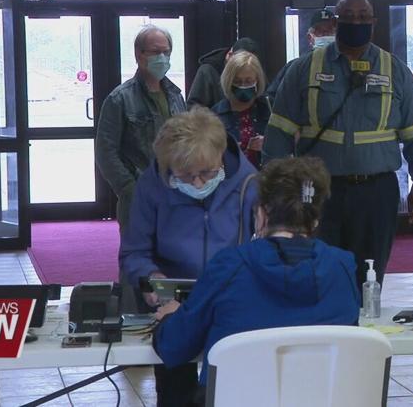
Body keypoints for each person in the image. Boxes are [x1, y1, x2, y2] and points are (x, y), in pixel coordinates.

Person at [152, 156, 360, 404]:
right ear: (315, 220)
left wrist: (172, 317)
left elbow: (173, 347)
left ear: (261, 214)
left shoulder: (229, 266)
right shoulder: (343, 267)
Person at [264, 0, 413, 289]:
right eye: (349, 17)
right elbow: (278, 134)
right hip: (318, 192)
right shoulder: (304, 69)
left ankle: (364, 332)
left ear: (374, 22)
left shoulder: (395, 71)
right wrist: (274, 194)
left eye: (363, 17)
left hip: (376, 191)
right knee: (317, 270)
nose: (357, 22)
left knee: (370, 275)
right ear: (336, 22)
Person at [120, 107, 258, 407]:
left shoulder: (249, 183)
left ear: (221, 156)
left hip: (230, 305)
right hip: (173, 306)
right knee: (175, 395)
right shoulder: (152, 184)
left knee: (232, 393)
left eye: (206, 173)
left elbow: (266, 245)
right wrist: (151, 280)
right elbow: (134, 252)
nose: (197, 183)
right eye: (185, 175)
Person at [95, 24, 187, 237]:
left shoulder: (175, 96)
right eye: (155, 52)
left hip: (177, 195)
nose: (162, 57)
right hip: (139, 197)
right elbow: (105, 153)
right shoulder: (120, 99)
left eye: (166, 52)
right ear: (139, 54)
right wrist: (130, 189)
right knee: (139, 264)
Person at [211, 51, 271, 169]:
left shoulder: (269, 109)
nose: (243, 86)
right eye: (237, 82)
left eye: (249, 81)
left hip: (266, 179)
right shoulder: (214, 116)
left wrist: (268, 144)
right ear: (229, 81)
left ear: (257, 81)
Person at [266, 7, 337, 101]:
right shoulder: (295, 67)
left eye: (330, 31)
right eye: (319, 31)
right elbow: (272, 100)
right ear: (310, 38)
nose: (325, 35)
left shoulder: (346, 66)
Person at [187, 37, 261, 108]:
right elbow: (194, 106)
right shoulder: (207, 71)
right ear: (229, 55)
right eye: (237, 81)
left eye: (248, 81)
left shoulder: (252, 68)